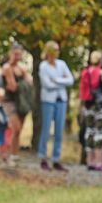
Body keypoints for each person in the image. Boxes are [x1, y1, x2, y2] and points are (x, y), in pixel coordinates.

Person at [37, 41, 74, 171]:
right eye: (55, 50)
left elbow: (70, 80)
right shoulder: (43, 66)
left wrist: (57, 80)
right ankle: (43, 158)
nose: (57, 52)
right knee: (46, 130)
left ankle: (56, 159)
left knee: (59, 131)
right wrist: (61, 81)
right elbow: (47, 84)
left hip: (61, 100)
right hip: (48, 100)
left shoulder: (62, 64)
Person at [1, 43, 34, 166]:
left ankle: (14, 156)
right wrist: (23, 81)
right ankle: (6, 155)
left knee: (19, 131)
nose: (17, 56)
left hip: (21, 102)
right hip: (10, 101)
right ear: (11, 53)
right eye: (15, 54)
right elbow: (12, 87)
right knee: (15, 128)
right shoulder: (7, 68)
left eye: (19, 54)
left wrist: (24, 77)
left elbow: (30, 82)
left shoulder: (22, 68)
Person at [79, 50, 102, 171]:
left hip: (88, 105)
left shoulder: (86, 72)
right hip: (100, 106)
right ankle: (98, 161)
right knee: (100, 132)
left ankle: (89, 160)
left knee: (89, 131)